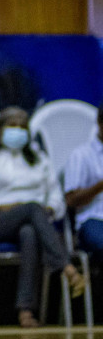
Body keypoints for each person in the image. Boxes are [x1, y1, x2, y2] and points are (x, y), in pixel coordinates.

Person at [0, 108, 87, 326]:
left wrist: (49, 209)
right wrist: (1, 206)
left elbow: (56, 196)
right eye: (12, 125)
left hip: (35, 222)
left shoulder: (39, 159)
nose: (18, 131)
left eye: (22, 126)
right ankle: (67, 268)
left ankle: (26, 312)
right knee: (31, 208)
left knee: (29, 231)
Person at [63, 103, 103, 255]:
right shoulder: (81, 155)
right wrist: (100, 185)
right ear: (100, 123)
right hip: (94, 219)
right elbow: (71, 200)